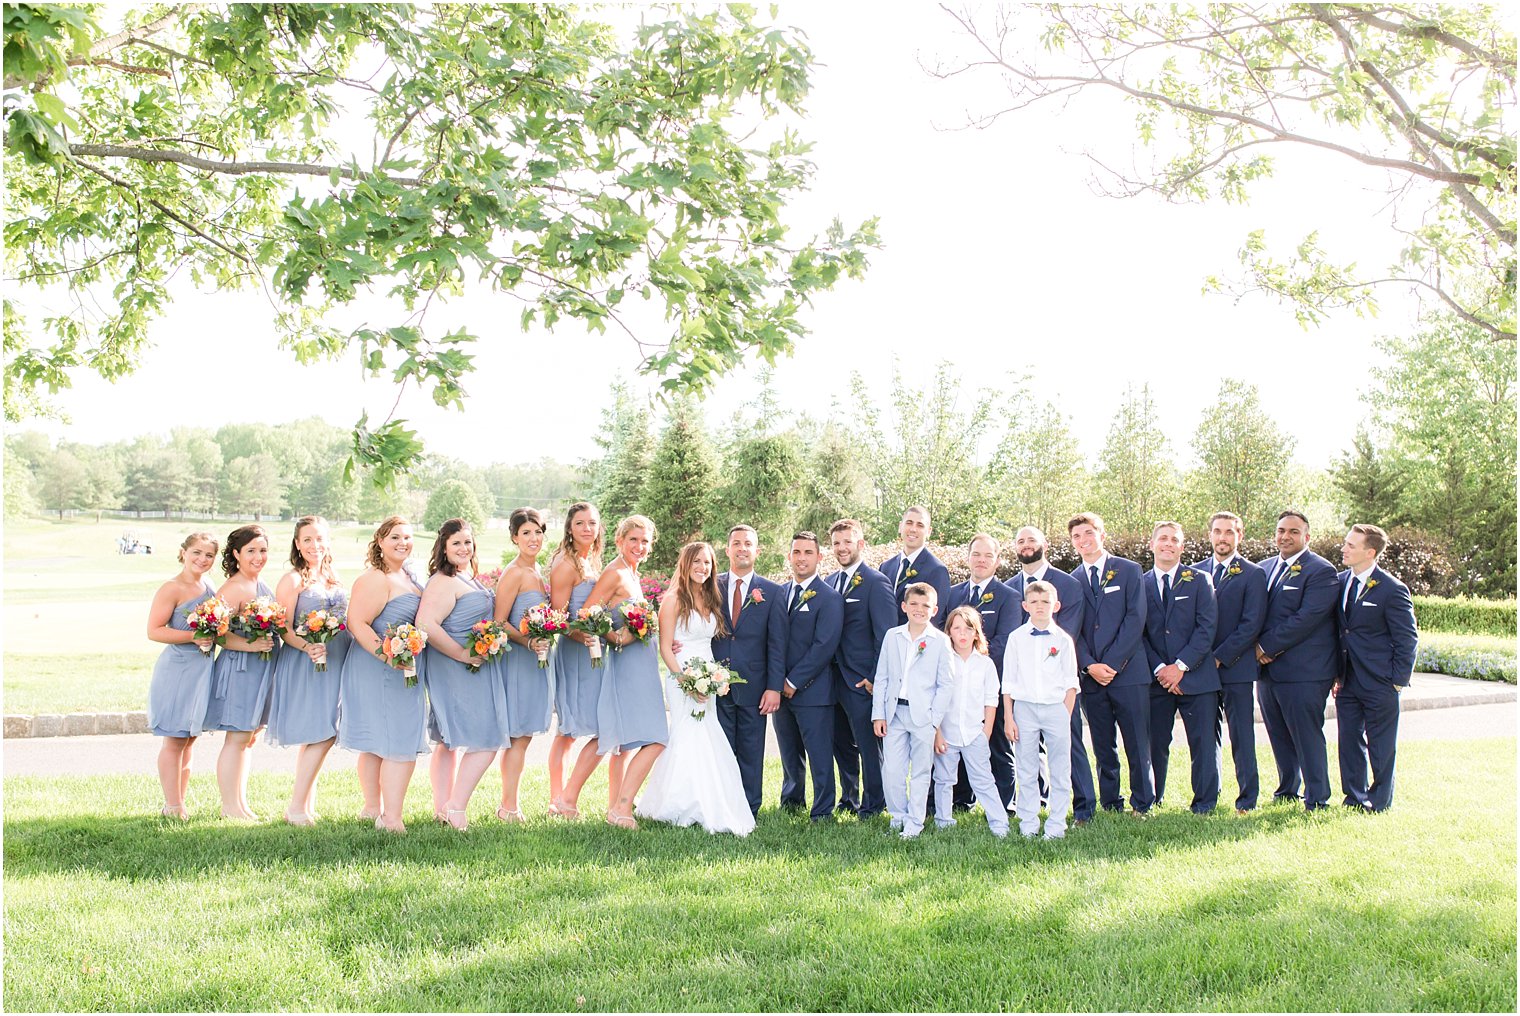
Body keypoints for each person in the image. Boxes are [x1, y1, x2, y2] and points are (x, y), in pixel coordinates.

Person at [637, 541, 754, 836]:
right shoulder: (674, 598)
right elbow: (666, 648)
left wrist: (713, 677)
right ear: (686, 564)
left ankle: (709, 799)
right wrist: (686, 682)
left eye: (707, 563)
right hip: (682, 675)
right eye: (697, 562)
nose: (703, 568)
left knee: (708, 734)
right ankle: (678, 803)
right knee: (687, 734)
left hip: (708, 673)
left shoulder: (710, 596)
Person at [560, 515, 667, 829]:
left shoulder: (633, 574)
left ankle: (578, 800)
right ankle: (619, 807)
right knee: (654, 737)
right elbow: (586, 613)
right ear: (620, 541)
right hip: (624, 664)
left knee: (616, 736)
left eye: (644, 541)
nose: (639, 546)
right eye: (633, 539)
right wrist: (616, 637)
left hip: (641, 664)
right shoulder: (615, 572)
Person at [416, 518, 509, 831]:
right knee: (486, 738)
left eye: (467, 542)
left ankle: (443, 808)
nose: (463, 548)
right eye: (456, 543)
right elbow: (426, 624)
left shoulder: (466, 576)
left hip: (468, 664)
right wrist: (461, 653)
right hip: (453, 665)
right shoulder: (443, 580)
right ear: (443, 546)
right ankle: (456, 808)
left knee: (447, 739)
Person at [338, 516, 428, 833]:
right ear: (380, 541)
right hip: (377, 668)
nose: (403, 542)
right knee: (395, 741)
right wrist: (388, 656)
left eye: (408, 537)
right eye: (395, 537)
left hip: (403, 666)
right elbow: (357, 623)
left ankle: (373, 810)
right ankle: (390, 818)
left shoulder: (408, 576)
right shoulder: (375, 578)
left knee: (384, 740)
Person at [1066, 512, 1153, 817]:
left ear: (1102, 535)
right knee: (1103, 744)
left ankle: (1142, 803)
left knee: (1137, 743)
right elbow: (1070, 631)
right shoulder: (1072, 581)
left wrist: (1112, 664)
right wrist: (1090, 665)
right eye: (1077, 536)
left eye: (1088, 533)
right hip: (1091, 677)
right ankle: (1110, 802)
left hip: (1128, 673)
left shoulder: (1129, 570)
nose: (1083, 540)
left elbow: (1135, 619)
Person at [1006, 524, 1094, 824]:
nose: (1026, 545)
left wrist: (1062, 703)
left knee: (1069, 752)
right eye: (1021, 541)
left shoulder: (1067, 584)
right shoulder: (1010, 585)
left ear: (1044, 544)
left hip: (1057, 690)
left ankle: (1082, 808)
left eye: (1032, 539)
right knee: (1027, 760)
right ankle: (1031, 809)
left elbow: (1068, 630)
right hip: (1026, 694)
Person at [267, 516, 350, 826]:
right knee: (322, 732)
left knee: (321, 732)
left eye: (320, 539)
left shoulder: (332, 576)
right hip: (307, 660)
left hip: (336, 657)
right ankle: (296, 807)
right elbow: (283, 627)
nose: (315, 545)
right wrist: (308, 647)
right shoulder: (292, 581)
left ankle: (304, 805)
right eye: (307, 540)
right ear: (298, 545)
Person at [1255, 509, 1340, 811]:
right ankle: (1287, 790)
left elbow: (1307, 618)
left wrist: (1265, 646)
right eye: (1281, 530)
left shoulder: (1321, 571)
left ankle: (1317, 798)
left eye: (1293, 531)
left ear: (1306, 536)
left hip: (1305, 671)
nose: (1285, 536)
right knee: (1278, 734)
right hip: (1266, 672)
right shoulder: (1263, 568)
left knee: (1306, 735)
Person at [1335, 524, 1418, 812]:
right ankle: (1354, 797)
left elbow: (1407, 638)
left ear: (1370, 552)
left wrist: (1397, 680)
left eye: (1351, 545)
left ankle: (1379, 801)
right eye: (1345, 543)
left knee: (1381, 746)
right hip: (1346, 681)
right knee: (1349, 741)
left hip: (1381, 682)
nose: (1344, 549)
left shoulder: (1393, 589)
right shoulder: (1340, 581)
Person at [546, 502, 619, 818]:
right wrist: (586, 635)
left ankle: (563, 798)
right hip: (576, 653)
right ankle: (557, 800)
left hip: (596, 653)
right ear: (569, 528)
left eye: (592, 523)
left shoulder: (592, 560)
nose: (588, 528)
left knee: (584, 728)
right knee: (569, 730)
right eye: (580, 523)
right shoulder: (565, 564)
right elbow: (559, 619)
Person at [1143, 522, 1221, 814]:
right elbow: (1139, 634)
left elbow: (1207, 627)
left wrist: (1180, 666)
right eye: (1162, 539)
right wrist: (1161, 668)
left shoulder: (1200, 580)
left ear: (1182, 547)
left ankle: (1204, 802)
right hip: (1156, 679)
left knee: (1202, 743)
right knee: (1155, 743)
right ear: (1152, 544)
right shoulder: (1141, 583)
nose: (1168, 544)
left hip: (1197, 676)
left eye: (1174, 540)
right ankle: (1153, 798)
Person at [940, 533, 1020, 812]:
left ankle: (1004, 802)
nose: (981, 560)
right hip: (955, 683)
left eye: (988, 555)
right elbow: (944, 636)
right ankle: (962, 798)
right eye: (977, 554)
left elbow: (1004, 640)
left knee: (996, 744)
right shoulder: (952, 594)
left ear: (997, 561)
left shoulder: (1009, 597)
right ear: (969, 557)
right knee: (957, 738)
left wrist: (973, 664)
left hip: (989, 682)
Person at [712, 524, 787, 817]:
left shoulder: (772, 591)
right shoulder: (710, 586)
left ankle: (749, 808)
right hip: (714, 682)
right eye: (737, 543)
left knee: (751, 750)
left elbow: (777, 643)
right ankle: (721, 806)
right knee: (720, 749)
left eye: (748, 544)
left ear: (757, 551)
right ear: (728, 549)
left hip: (756, 686)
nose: (742, 548)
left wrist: (774, 686)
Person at [203, 524, 278, 821]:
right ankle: (229, 806)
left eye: (263, 550)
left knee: (248, 738)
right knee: (236, 738)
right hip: (240, 669)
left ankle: (240, 803)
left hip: (260, 669)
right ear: (236, 554)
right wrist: (249, 645)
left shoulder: (259, 584)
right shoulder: (233, 587)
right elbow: (214, 632)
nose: (258, 557)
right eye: (251, 551)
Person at [1194, 511, 1267, 814]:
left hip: (1236, 668)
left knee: (1242, 736)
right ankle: (1206, 801)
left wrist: (1220, 658)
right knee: (1205, 737)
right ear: (1210, 534)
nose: (1222, 538)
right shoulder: (1194, 573)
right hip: (1200, 670)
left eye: (1229, 532)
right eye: (1217, 531)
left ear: (1239, 535)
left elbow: (1252, 624)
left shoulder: (1253, 574)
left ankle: (1247, 799)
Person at [145, 532, 221, 819]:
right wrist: (194, 636)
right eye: (197, 553)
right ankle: (173, 805)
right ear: (183, 552)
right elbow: (154, 630)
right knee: (174, 739)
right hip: (178, 670)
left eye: (209, 555)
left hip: (201, 670)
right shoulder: (172, 588)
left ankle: (178, 802)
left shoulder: (209, 585)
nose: (202, 559)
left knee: (189, 738)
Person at [871, 582, 954, 839]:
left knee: (920, 770)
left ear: (935, 610)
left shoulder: (940, 641)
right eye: (914, 604)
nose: (919, 609)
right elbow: (882, 676)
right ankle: (898, 816)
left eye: (925, 606)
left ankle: (915, 822)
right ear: (904, 606)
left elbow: (946, 683)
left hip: (923, 716)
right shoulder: (892, 636)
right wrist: (879, 714)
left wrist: (933, 720)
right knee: (892, 770)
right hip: (895, 713)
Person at [828, 518, 896, 819]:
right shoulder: (829, 582)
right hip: (832, 678)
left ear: (860, 544)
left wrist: (874, 678)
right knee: (841, 744)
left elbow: (887, 635)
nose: (842, 548)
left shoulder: (876, 582)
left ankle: (874, 802)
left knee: (869, 747)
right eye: (836, 544)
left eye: (847, 542)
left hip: (861, 680)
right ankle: (849, 798)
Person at [1002, 580, 1080, 839]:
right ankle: (1028, 823)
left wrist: (1064, 714)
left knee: (1060, 768)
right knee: (1026, 767)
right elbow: (1009, 682)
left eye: (1045, 602)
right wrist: (1008, 716)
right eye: (1034, 602)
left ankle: (1057, 824)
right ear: (1025, 605)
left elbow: (1071, 681)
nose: (1040, 607)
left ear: (1055, 605)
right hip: (1024, 708)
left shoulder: (1064, 640)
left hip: (1056, 708)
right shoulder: (1016, 638)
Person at [775, 531, 844, 821]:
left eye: (808, 553)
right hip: (779, 689)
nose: (801, 558)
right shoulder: (780, 593)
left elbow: (824, 646)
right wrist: (777, 681)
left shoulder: (829, 597)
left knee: (818, 754)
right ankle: (792, 801)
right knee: (789, 751)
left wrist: (793, 681)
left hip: (813, 691)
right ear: (789, 556)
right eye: (797, 552)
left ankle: (823, 809)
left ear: (819, 557)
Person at [493, 507, 556, 821]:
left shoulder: (538, 569)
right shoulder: (515, 572)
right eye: (526, 533)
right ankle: (508, 806)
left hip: (536, 660)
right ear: (515, 537)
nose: (533, 538)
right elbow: (499, 622)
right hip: (519, 660)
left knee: (525, 735)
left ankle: (509, 803)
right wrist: (528, 641)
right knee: (518, 735)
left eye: (538, 532)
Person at [931, 606, 1009, 837]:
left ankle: (999, 823)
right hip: (946, 733)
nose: (962, 634)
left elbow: (991, 701)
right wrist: (937, 733)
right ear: (949, 633)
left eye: (968, 629)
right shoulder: (942, 662)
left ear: (976, 633)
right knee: (944, 779)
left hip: (974, 733)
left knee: (983, 779)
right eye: (957, 629)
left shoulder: (985, 665)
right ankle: (943, 821)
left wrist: (985, 733)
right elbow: (935, 698)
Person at [879, 506, 951, 627]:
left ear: (929, 531)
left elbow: (934, 618)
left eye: (920, 525)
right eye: (909, 523)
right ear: (900, 526)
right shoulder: (886, 567)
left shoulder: (937, 570)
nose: (913, 529)